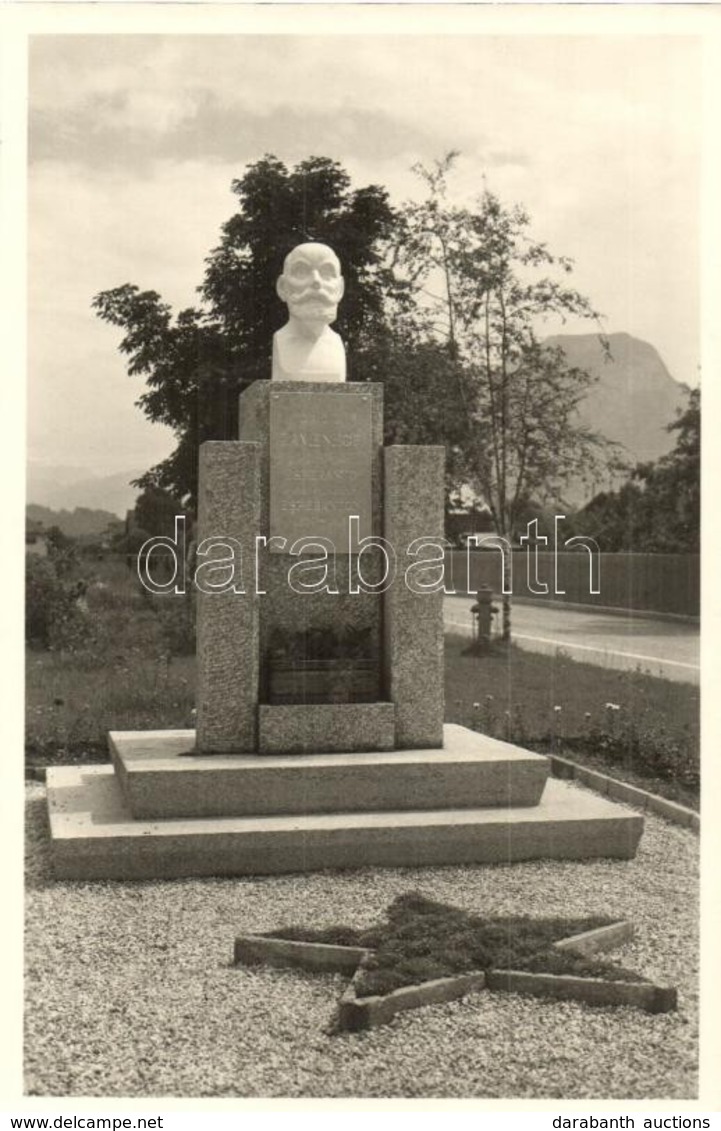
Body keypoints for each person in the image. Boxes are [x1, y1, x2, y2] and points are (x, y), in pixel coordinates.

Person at [272, 242, 346, 382]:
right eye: (301, 271)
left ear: (340, 289)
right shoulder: (280, 341)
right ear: (282, 288)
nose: (316, 281)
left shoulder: (336, 345)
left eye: (327, 273)